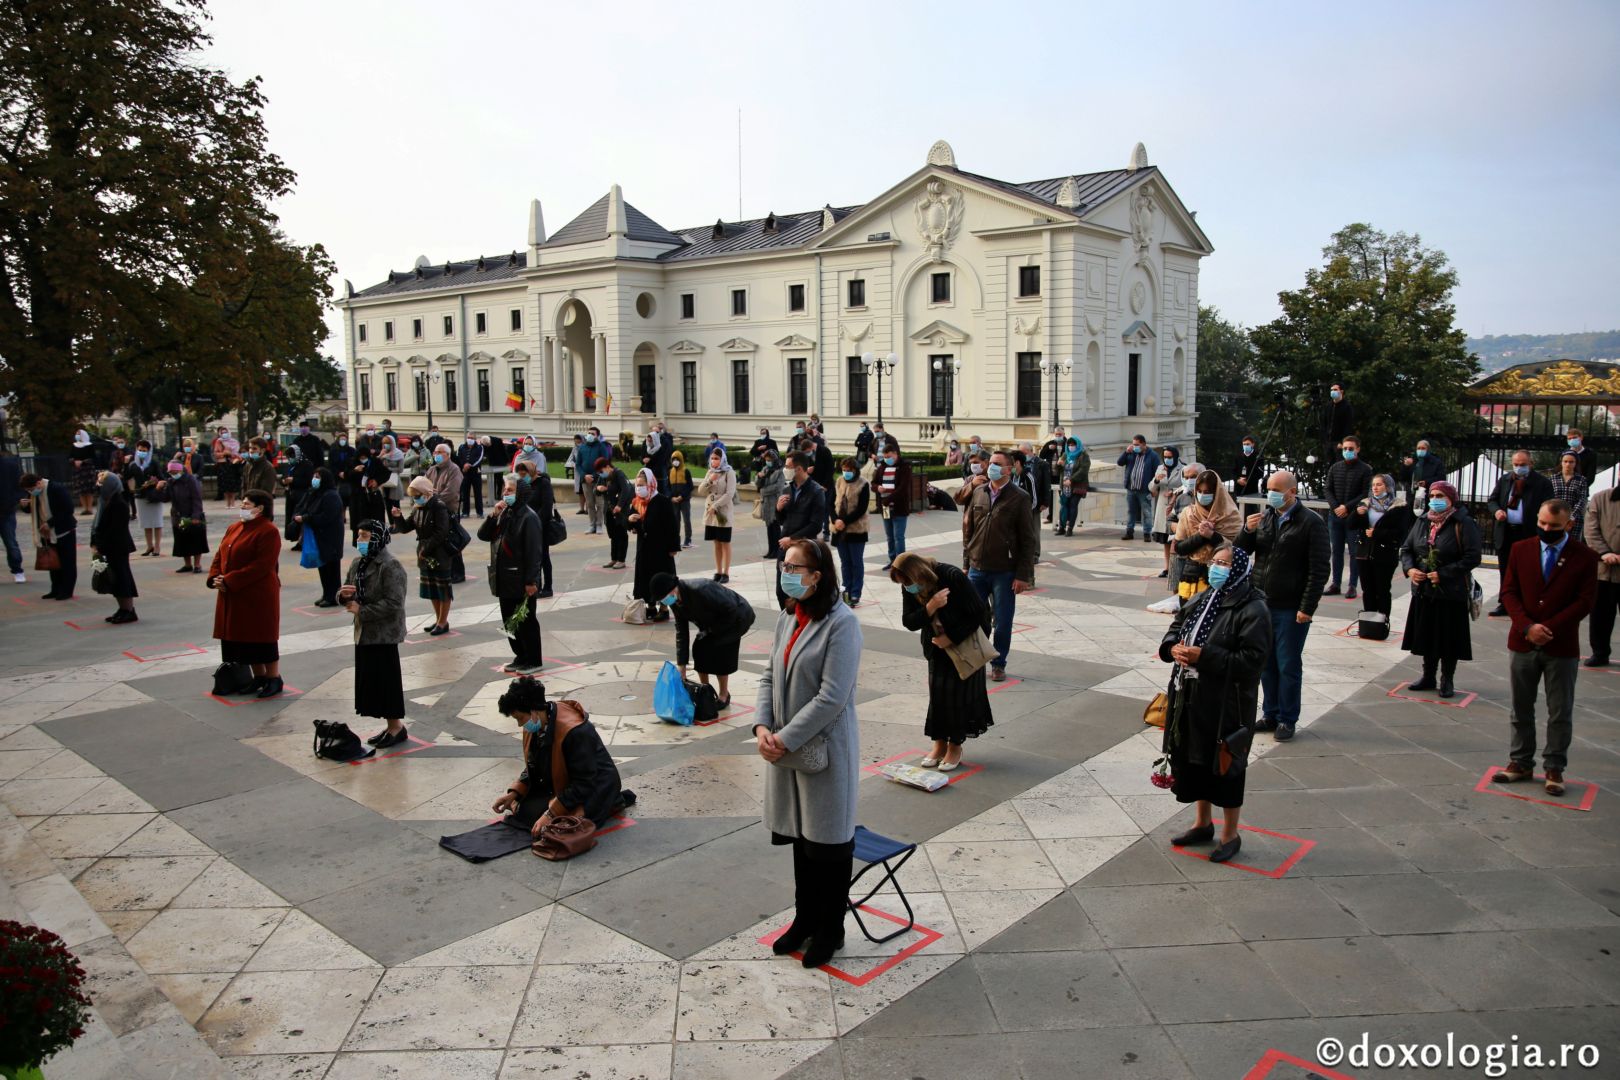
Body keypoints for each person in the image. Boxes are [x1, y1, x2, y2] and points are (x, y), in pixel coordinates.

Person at [752, 538, 862, 970]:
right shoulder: (787, 615)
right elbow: (766, 676)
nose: (787, 572)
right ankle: (804, 920)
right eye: (785, 565)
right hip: (784, 749)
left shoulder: (842, 624)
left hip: (823, 751)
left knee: (828, 848)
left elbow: (832, 697)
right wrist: (762, 727)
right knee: (800, 840)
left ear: (818, 576)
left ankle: (830, 929)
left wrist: (785, 739)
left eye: (795, 567)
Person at [1158, 544, 1270, 864]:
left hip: (1227, 702)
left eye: (1223, 563)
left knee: (1225, 764)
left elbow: (1252, 660)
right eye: (1214, 562)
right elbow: (1177, 627)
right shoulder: (1203, 597)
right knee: (1196, 758)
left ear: (1239, 570)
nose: (1216, 568)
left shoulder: (1253, 608)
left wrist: (1204, 656)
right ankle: (1202, 823)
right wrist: (1172, 648)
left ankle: (1230, 833)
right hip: (1191, 693)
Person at [1494, 499, 1597, 796]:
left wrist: (1548, 628)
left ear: (1568, 525)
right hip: (1522, 641)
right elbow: (1509, 591)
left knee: (1560, 710)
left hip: (1560, 643)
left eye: (1552, 525)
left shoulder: (1585, 557)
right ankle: (1520, 761)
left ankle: (1554, 767)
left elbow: (1585, 601)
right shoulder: (1521, 549)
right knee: (1520, 707)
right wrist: (1527, 626)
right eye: (1541, 523)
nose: (1545, 529)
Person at [1236, 470, 1329, 740]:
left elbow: (1319, 569)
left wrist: (1307, 607)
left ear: (1292, 492)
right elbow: (1242, 553)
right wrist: (1247, 530)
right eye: (1268, 489)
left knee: (1287, 663)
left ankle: (1287, 719)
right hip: (1262, 603)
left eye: (1276, 490)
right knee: (1265, 662)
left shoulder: (1310, 522)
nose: (1271, 495)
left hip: (1291, 607)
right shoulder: (1266, 518)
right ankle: (1270, 712)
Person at [892, 552, 993, 770]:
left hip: (964, 646)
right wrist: (931, 606)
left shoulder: (951, 576)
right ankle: (938, 744)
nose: (907, 587)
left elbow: (979, 612)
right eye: (903, 584)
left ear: (918, 573)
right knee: (938, 695)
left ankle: (955, 746)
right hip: (936, 649)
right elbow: (908, 621)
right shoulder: (909, 584)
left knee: (958, 696)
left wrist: (952, 637)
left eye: (908, 582)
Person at [491, 676, 632, 832]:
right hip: (565, 782)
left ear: (534, 711)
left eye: (520, 718)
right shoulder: (537, 723)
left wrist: (550, 814)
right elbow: (535, 765)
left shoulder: (575, 731)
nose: (519, 724)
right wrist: (515, 792)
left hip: (595, 785)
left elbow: (584, 782)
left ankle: (611, 801)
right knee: (526, 813)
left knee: (562, 825)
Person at [957, 449, 1038, 682]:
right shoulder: (978, 491)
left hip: (1005, 571)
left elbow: (1027, 539)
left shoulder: (1019, 497)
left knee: (1002, 621)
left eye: (996, 464)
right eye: (990, 463)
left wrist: (1024, 575)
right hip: (976, 569)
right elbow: (968, 530)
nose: (990, 467)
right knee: (973, 617)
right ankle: (975, 659)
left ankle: (999, 663)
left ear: (1009, 469)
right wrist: (966, 563)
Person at [1398, 480, 1483, 699]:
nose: (1434, 500)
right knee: (1426, 633)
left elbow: (1473, 557)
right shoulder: (1423, 520)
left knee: (1448, 637)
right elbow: (1407, 548)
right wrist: (1410, 569)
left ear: (1451, 498)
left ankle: (1447, 678)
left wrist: (1444, 573)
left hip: (1451, 591)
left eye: (1440, 496)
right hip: (1424, 589)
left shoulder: (1463, 522)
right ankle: (1428, 675)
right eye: (1432, 496)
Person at [336, 520, 410, 749]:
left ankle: (396, 727)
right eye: (359, 535)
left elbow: (395, 603)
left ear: (378, 537)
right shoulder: (359, 563)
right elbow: (346, 588)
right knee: (373, 682)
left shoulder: (390, 565)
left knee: (387, 682)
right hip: (365, 632)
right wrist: (344, 596)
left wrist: (363, 610)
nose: (360, 541)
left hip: (384, 634)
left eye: (366, 536)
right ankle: (390, 726)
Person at [208, 489, 285, 697]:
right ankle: (258, 677)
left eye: (246, 504)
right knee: (243, 639)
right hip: (233, 593)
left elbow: (262, 565)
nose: (242, 507)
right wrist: (215, 577)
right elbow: (220, 554)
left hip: (257, 594)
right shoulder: (234, 527)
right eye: (242, 503)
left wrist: (230, 580)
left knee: (262, 637)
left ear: (260, 509)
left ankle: (273, 678)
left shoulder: (268, 531)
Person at [655, 571, 756, 708]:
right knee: (700, 649)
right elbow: (681, 631)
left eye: (663, 597)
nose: (664, 601)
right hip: (712, 622)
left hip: (736, 618)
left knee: (720, 649)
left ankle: (723, 695)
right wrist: (682, 666)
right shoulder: (675, 600)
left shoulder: (701, 589)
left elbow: (730, 609)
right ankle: (706, 691)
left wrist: (711, 631)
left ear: (672, 589)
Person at [480, 473, 545, 674]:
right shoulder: (505, 513)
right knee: (509, 621)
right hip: (503, 578)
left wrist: (531, 580)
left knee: (526, 621)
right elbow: (483, 535)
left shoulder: (529, 517)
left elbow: (534, 553)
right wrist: (493, 515)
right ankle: (520, 655)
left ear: (521, 493)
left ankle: (533, 659)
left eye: (510, 490)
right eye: (504, 490)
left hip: (521, 579)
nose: (505, 493)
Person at [1487, 450, 1554, 617]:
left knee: (1526, 570)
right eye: (1516, 465)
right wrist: (1497, 512)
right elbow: (1492, 500)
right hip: (1506, 530)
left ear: (1531, 464)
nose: (1519, 468)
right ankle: (1505, 603)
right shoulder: (1505, 479)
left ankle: (1526, 604)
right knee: (1505, 569)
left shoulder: (1541, 483)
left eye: (1522, 465)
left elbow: (1549, 504)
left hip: (1528, 532)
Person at [392, 476, 456, 636]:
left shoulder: (439, 507)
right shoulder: (417, 508)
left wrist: (426, 548)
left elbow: (441, 532)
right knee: (432, 589)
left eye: (417, 495)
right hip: (425, 554)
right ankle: (438, 619)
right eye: (413, 496)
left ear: (426, 492)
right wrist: (398, 517)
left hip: (439, 554)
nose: (415, 498)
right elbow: (406, 527)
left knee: (443, 589)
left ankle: (443, 622)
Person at [1173, 468, 1242, 605]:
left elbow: (1237, 548)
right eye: (1199, 492)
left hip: (1219, 576)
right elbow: (1179, 547)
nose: (1202, 495)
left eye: (1207, 492)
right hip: (1191, 576)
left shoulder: (1230, 516)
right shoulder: (1189, 513)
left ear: (1216, 493)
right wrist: (1201, 536)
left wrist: (1212, 535)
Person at [1351, 473, 1413, 624]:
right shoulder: (1365, 503)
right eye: (1373, 485)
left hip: (1385, 554)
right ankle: (1369, 622)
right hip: (1364, 553)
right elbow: (1350, 525)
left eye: (1379, 484)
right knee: (1368, 590)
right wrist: (1356, 514)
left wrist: (1377, 533)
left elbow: (1401, 533)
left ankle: (1382, 622)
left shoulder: (1399, 506)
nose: (1375, 488)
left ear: (1388, 486)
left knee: (1382, 590)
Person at [774, 451, 827, 607]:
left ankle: (801, 624)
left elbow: (816, 525)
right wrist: (778, 509)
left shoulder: (816, 491)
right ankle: (788, 623)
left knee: (802, 591)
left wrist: (792, 540)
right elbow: (783, 520)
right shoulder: (787, 489)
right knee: (781, 591)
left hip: (803, 548)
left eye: (788, 466)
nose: (785, 469)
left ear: (799, 469)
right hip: (784, 547)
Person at [1323, 435, 1373, 599]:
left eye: (1351, 449)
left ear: (1358, 449)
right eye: (1345, 448)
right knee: (1336, 551)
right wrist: (1336, 507)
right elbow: (1327, 489)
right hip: (1335, 515)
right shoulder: (1335, 467)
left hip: (1353, 516)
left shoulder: (1365, 469)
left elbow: (1365, 493)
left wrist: (1347, 507)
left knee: (1353, 552)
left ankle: (1352, 585)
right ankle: (1336, 583)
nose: (1347, 451)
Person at [629, 468, 679, 622]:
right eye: (637, 484)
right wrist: (630, 520)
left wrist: (673, 547)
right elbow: (631, 524)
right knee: (645, 578)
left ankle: (664, 609)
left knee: (663, 578)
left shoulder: (663, 501)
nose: (639, 488)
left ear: (650, 484)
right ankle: (650, 606)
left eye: (642, 484)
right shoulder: (637, 502)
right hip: (644, 548)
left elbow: (672, 526)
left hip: (661, 549)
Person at [89, 470, 138, 623]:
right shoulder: (105, 501)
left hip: (118, 547)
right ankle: (122, 608)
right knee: (114, 579)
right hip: (108, 547)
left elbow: (115, 530)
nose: (99, 487)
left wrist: (101, 545)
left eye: (102, 484)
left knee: (122, 578)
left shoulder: (119, 504)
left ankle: (128, 610)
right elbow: (98, 525)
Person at [294, 467, 345, 607]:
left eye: (318, 477)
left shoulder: (331, 495)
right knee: (322, 566)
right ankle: (326, 594)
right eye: (314, 476)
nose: (314, 479)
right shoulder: (316, 493)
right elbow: (305, 507)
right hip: (319, 536)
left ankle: (333, 596)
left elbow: (327, 517)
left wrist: (307, 518)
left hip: (331, 537)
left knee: (332, 569)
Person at [23, 472, 77, 599]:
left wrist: (50, 523)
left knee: (67, 563)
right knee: (53, 563)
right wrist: (24, 506)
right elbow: (31, 509)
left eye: (31, 489)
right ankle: (55, 589)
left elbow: (68, 509)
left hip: (63, 531)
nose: (31, 492)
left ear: (38, 483)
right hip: (46, 533)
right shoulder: (34, 493)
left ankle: (66, 591)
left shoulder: (55, 489)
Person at [1584, 483, 1620, 668]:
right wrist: (1604, 552)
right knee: (1600, 614)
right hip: (1604, 569)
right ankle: (1600, 652)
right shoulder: (1600, 498)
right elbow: (1591, 530)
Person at [830, 457, 870, 606]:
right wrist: (835, 520)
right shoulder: (839, 481)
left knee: (856, 562)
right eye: (844, 470)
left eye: (849, 470)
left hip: (856, 529)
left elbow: (861, 508)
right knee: (845, 562)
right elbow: (831, 503)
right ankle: (845, 590)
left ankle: (855, 593)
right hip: (839, 529)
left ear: (855, 470)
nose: (846, 473)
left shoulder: (863, 484)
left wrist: (845, 521)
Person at [514, 461, 556, 598]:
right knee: (530, 558)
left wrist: (535, 523)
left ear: (531, 471)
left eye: (524, 474)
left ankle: (548, 587)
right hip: (525, 527)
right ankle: (535, 585)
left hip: (540, 526)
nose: (522, 477)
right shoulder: (522, 485)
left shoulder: (543, 483)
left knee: (543, 557)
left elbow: (547, 505)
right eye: (519, 475)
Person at [425, 441, 465, 583]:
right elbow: (424, 487)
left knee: (452, 542)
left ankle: (458, 573)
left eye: (440, 452)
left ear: (448, 455)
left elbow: (451, 492)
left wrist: (433, 498)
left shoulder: (454, 470)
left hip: (447, 511)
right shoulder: (431, 470)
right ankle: (440, 570)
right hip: (432, 511)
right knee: (436, 542)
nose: (437, 455)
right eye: (435, 452)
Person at [695, 448, 736, 583]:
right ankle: (718, 571)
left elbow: (730, 494)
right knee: (716, 542)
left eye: (716, 458)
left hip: (722, 511)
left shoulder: (729, 472)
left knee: (725, 542)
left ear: (722, 459)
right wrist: (710, 480)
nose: (714, 461)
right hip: (711, 513)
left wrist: (716, 506)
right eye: (712, 458)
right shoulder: (710, 472)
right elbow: (701, 490)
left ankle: (726, 572)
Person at [871, 438, 911, 570]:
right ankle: (892, 560)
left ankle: (901, 563)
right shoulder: (882, 467)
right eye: (885, 456)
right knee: (889, 536)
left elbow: (903, 488)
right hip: (885, 508)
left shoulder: (904, 467)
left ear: (895, 454)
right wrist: (878, 488)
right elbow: (873, 483)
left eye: (889, 456)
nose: (887, 459)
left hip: (898, 506)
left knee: (898, 536)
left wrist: (888, 499)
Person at [125, 440, 168, 556]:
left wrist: (156, 482)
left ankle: (157, 546)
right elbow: (127, 477)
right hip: (140, 496)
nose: (141, 452)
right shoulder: (133, 464)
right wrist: (125, 464)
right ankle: (149, 546)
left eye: (144, 450)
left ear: (148, 451)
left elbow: (161, 477)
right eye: (139, 450)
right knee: (146, 523)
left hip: (154, 495)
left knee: (157, 522)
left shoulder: (153, 463)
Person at [167, 459, 209, 573]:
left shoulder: (190, 480)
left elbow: (197, 498)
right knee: (182, 540)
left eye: (175, 472)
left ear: (181, 470)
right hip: (178, 515)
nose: (173, 474)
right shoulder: (171, 482)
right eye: (171, 472)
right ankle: (187, 564)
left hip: (192, 514)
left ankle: (197, 564)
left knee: (196, 540)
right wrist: (159, 487)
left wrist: (196, 516)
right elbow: (166, 498)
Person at [1149, 445, 1184, 577]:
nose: (1167, 459)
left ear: (1175, 457)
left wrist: (1174, 492)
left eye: (1169, 457)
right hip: (1162, 507)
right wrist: (1157, 480)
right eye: (1165, 457)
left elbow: (1186, 486)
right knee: (1165, 540)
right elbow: (1151, 487)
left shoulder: (1183, 469)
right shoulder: (1160, 468)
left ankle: (1177, 567)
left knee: (1176, 538)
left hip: (1177, 506)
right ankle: (1167, 568)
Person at [593, 452, 631, 570]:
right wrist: (598, 489)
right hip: (608, 509)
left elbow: (626, 490)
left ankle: (621, 560)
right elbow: (596, 490)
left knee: (621, 534)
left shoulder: (618, 474)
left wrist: (620, 505)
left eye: (601, 471)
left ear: (607, 466)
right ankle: (613, 558)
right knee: (613, 535)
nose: (600, 474)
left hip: (619, 509)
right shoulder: (603, 477)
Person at [1117, 434, 1154, 542]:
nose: (1134, 446)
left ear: (1143, 444)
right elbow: (1120, 462)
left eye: (1137, 445)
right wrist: (1126, 452)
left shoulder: (1152, 456)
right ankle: (1129, 532)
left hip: (1144, 490)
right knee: (1131, 511)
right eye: (1133, 444)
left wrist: (1154, 489)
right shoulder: (1131, 453)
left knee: (1147, 512)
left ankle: (1147, 533)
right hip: (1131, 489)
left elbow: (1157, 472)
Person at [576, 427, 612, 535]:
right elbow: (578, 464)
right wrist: (584, 475)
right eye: (589, 433)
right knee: (590, 504)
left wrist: (594, 475)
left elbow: (604, 463)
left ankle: (599, 525)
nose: (590, 435)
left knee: (599, 503)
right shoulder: (582, 447)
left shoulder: (601, 447)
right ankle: (592, 525)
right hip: (585, 480)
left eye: (593, 433)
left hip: (599, 480)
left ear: (597, 436)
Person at [1055, 436, 1091, 536]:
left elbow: (1083, 470)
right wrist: (1058, 464)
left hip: (1077, 485)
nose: (1071, 447)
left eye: (1073, 445)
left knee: (1073, 506)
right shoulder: (1065, 455)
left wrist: (1071, 479)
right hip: (1065, 485)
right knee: (1063, 506)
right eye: (1069, 445)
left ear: (1077, 445)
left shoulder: (1083, 455)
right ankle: (1061, 527)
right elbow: (1058, 470)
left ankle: (1070, 528)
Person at [1550, 451, 1590, 536]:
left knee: (1572, 544)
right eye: (1565, 461)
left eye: (1571, 462)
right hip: (1555, 517)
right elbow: (1549, 498)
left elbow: (1581, 499)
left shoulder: (1581, 480)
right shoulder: (1552, 479)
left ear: (1576, 463)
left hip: (1574, 519)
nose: (1568, 464)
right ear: (1561, 462)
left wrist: (1572, 516)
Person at [756, 449, 786, 559]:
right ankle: (770, 550)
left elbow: (778, 487)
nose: (768, 461)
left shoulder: (780, 471)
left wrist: (763, 491)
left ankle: (777, 551)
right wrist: (759, 477)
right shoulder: (765, 469)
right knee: (769, 527)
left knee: (775, 528)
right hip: (766, 504)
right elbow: (757, 483)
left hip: (775, 502)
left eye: (770, 459)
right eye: (767, 459)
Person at [1398, 439, 1446, 505]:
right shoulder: (1413, 461)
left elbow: (1441, 478)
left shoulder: (1436, 462)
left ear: (1428, 450)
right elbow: (1402, 478)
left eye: (1423, 448)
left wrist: (1426, 482)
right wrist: (1405, 466)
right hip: (1412, 496)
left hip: (1428, 495)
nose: (1420, 450)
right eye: (1418, 448)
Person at [0, 451, 23, 583]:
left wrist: (14, 500)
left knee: (11, 542)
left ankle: (17, 570)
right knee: (11, 542)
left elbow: (19, 485)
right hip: (7, 508)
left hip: (6, 510)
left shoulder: (9, 465)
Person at [668, 450, 695, 549]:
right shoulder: (670, 472)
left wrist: (682, 496)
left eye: (677, 459)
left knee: (686, 520)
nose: (675, 461)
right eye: (673, 459)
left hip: (684, 500)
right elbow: (668, 487)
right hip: (674, 501)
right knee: (675, 521)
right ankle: (676, 539)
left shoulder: (685, 471)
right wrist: (671, 497)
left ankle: (688, 539)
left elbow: (690, 486)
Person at [239, 439, 277, 509]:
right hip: (247, 505)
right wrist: (244, 500)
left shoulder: (268, 467)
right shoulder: (248, 465)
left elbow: (266, 492)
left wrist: (254, 504)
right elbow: (244, 485)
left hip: (261, 507)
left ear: (262, 450)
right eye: (250, 448)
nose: (251, 451)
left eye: (254, 448)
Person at [1232, 435, 1265, 500]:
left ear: (1252, 444)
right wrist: (1238, 480)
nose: (1246, 446)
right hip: (1239, 490)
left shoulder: (1258, 457)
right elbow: (1233, 471)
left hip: (1252, 489)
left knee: (1251, 509)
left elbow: (1260, 473)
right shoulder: (1238, 456)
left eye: (1248, 444)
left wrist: (1247, 480)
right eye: (1244, 444)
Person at [1327, 381, 1354, 447]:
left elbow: (1348, 425)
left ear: (1341, 391)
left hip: (1339, 443)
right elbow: (1324, 423)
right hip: (1327, 442)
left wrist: (1343, 442)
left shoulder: (1347, 406)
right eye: (1332, 390)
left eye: (1335, 390)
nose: (1333, 391)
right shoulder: (1328, 406)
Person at [563, 433, 585, 516]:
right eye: (576, 442)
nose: (577, 444)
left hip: (585, 472)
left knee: (586, 491)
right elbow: (570, 459)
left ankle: (588, 508)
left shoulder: (586, 448)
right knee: (580, 491)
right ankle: (582, 508)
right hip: (577, 472)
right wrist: (574, 464)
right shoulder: (574, 449)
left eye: (579, 442)